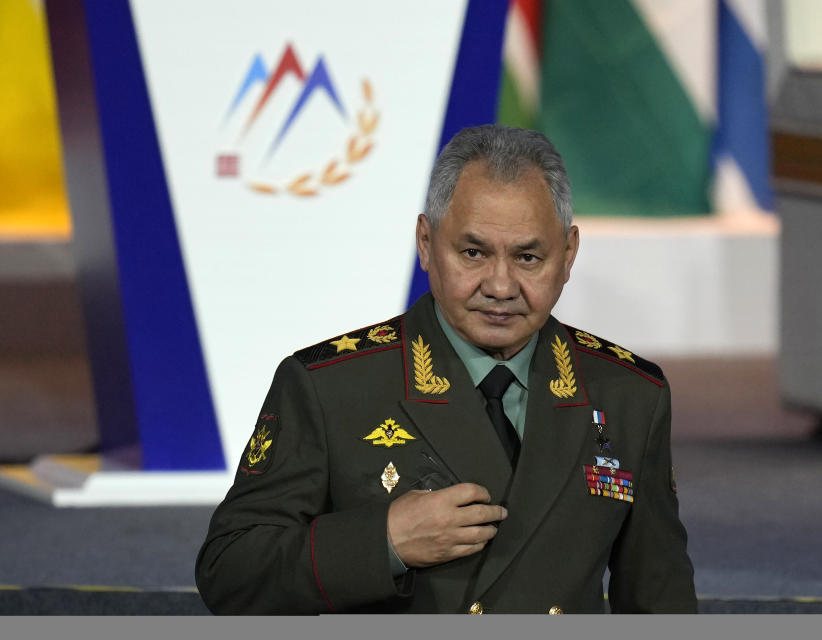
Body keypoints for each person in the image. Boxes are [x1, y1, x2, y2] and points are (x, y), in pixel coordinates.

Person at [195, 124, 696, 614]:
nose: (500, 286)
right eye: (473, 253)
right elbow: (231, 572)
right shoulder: (329, 388)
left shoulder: (629, 395)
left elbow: (659, 599)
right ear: (425, 242)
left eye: (528, 257)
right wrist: (384, 541)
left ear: (568, 255)